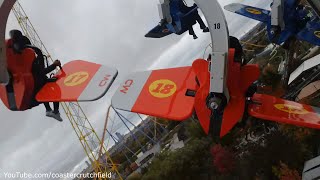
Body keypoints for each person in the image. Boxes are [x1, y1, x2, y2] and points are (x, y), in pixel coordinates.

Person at [9, 29, 63, 121]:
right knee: (54, 87)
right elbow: (41, 72)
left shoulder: (21, 59)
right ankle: (54, 111)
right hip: (36, 87)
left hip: (35, 85)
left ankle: (49, 110)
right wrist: (54, 65)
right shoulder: (28, 60)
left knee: (48, 82)